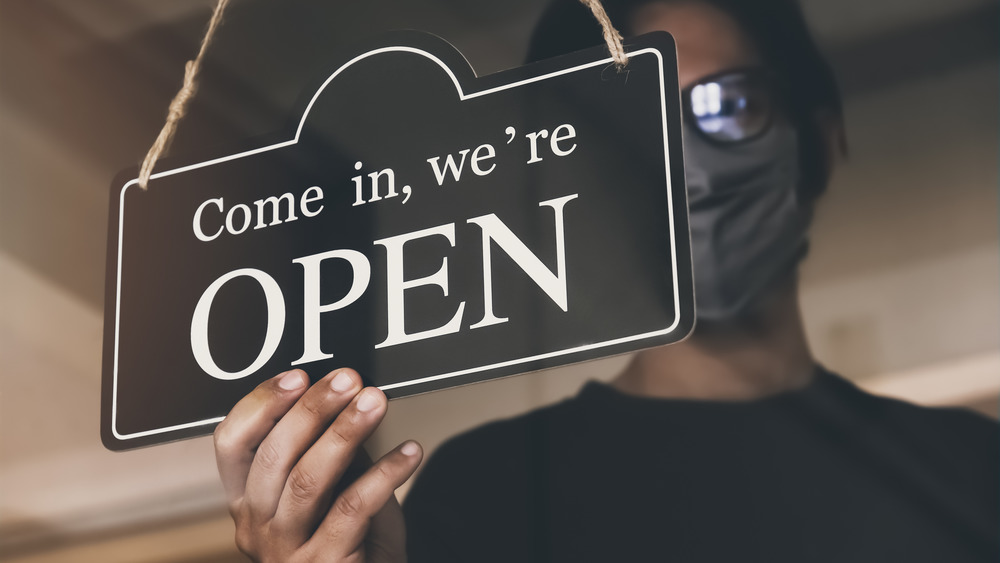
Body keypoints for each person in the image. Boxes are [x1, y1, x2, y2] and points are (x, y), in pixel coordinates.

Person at [212, 0, 999, 561]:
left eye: (728, 106)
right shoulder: (489, 495)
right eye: (632, 123)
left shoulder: (975, 470)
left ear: (820, 142)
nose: (687, 167)